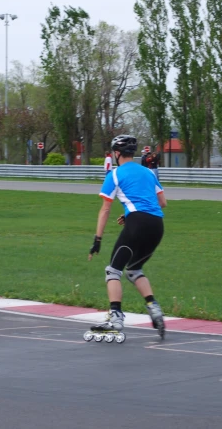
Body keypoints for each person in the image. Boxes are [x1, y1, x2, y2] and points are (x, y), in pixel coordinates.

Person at [87, 135, 167, 339]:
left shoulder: (115, 174)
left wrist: (97, 239)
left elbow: (105, 210)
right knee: (134, 269)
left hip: (137, 224)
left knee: (113, 271)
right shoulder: (148, 173)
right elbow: (162, 202)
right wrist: (131, 213)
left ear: (116, 153)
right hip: (157, 225)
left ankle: (115, 318)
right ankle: (154, 307)